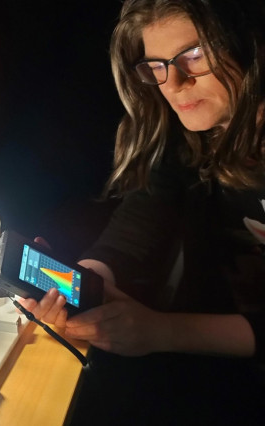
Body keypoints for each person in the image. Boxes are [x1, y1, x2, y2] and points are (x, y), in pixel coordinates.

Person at [20, 0, 265, 424]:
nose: (174, 82)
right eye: (156, 65)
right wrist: (80, 285)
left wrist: (159, 331)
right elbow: (138, 227)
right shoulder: (190, 138)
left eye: (196, 55)